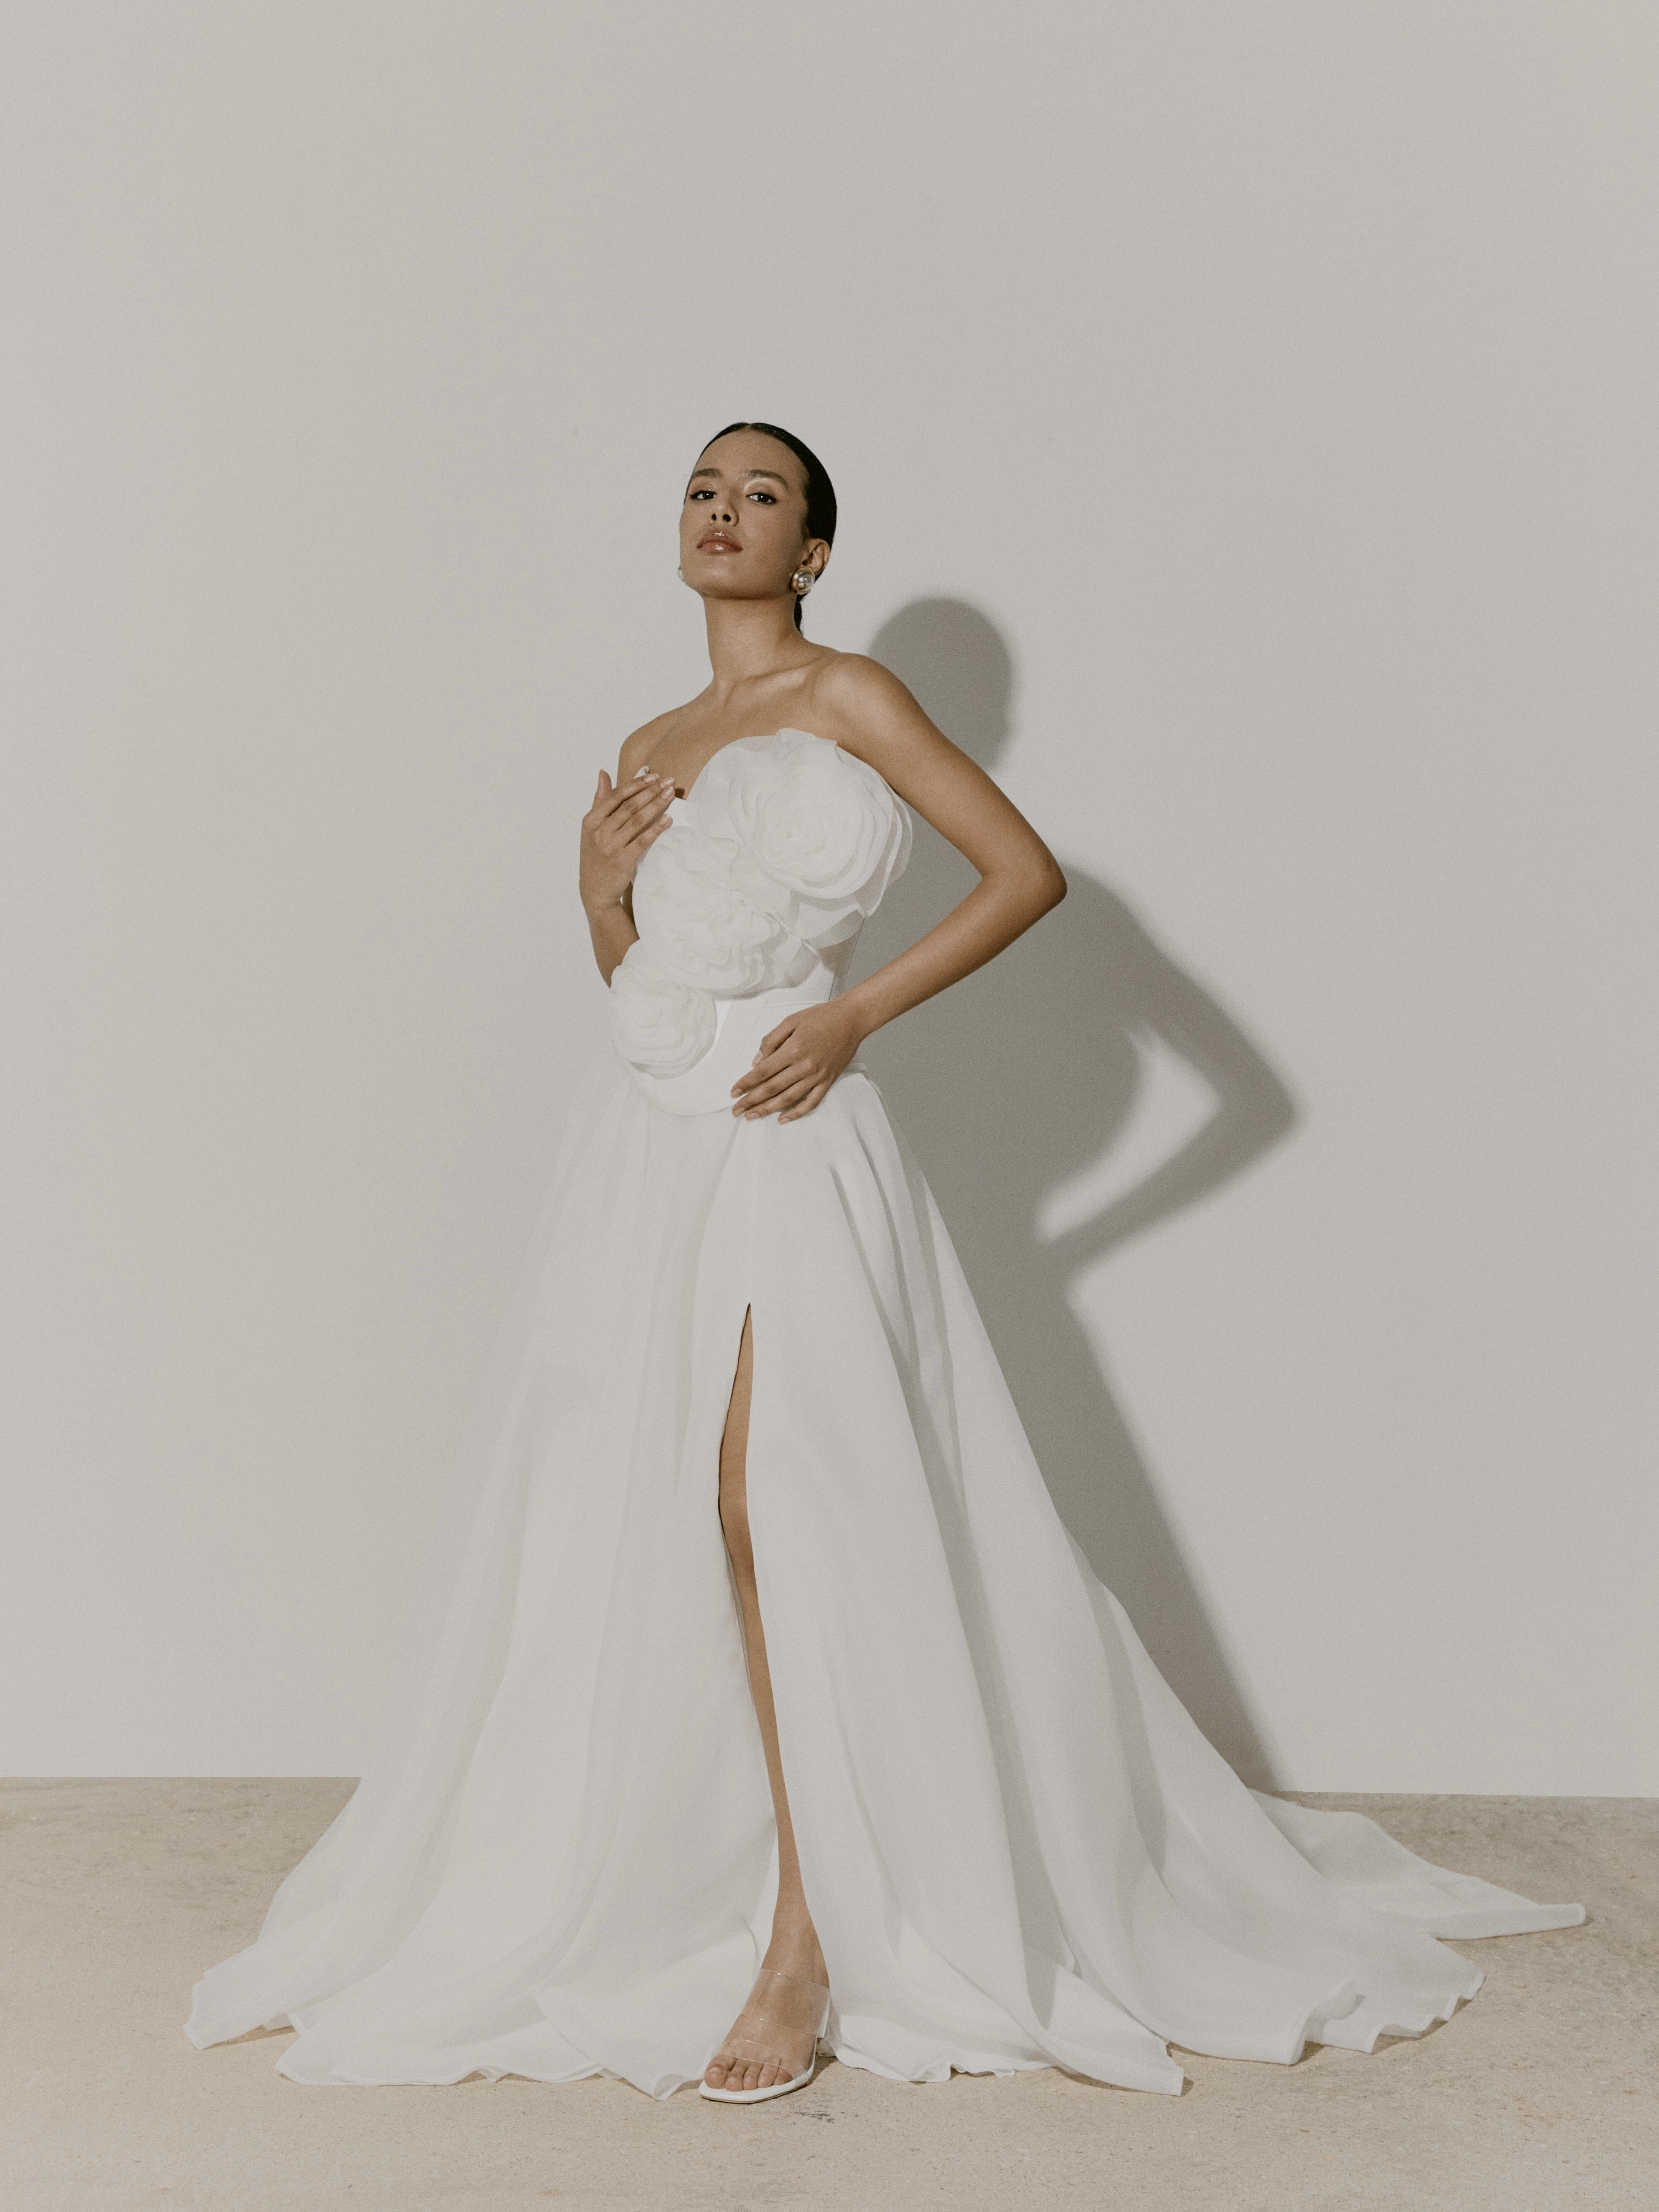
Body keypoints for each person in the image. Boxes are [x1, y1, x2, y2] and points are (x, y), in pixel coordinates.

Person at [186, 423, 1581, 2105]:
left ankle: (810, 1934)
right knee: (660, 1506)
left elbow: (1026, 875)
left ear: (816, 553)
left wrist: (852, 1019)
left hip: (791, 1139)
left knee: (777, 1499)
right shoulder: (646, 742)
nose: (723, 512)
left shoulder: (848, 696)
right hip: (646, 1155)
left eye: (762, 495)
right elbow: (647, 991)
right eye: (702, 490)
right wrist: (596, 892)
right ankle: (722, 1877)